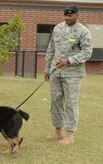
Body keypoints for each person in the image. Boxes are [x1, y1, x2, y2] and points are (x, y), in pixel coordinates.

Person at [44, 5, 93, 144]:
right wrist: (47, 68)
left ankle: (70, 134)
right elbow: (51, 49)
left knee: (71, 103)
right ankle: (58, 131)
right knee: (55, 102)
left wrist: (69, 61)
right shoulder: (58, 28)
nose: (67, 18)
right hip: (55, 72)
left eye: (70, 16)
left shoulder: (83, 32)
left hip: (73, 74)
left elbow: (87, 52)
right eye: (65, 15)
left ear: (77, 15)